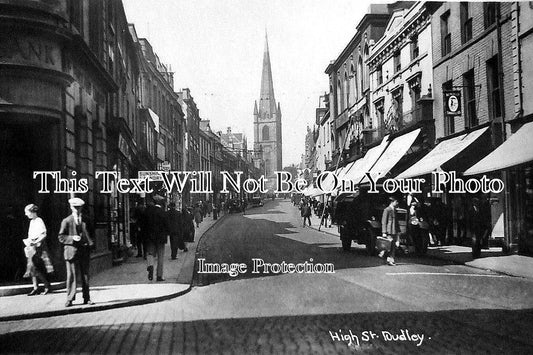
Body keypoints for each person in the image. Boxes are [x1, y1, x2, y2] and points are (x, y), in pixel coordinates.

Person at [58, 197, 94, 307]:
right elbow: (61, 237)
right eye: (74, 207)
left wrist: (89, 243)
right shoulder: (67, 221)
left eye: (79, 207)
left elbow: (91, 234)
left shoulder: (86, 220)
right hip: (71, 251)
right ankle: (70, 299)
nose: (77, 210)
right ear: (71, 207)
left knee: (85, 276)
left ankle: (86, 298)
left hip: (84, 250)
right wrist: (72, 238)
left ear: (82, 208)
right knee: (71, 276)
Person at [23, 204, 53, 296]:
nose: (26, 214)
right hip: (32, 247)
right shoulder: (32, 222)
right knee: (32, 267)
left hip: (39, 247)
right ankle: (35, 287)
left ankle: (47, 286)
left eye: (27, 212)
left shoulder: (39, 221)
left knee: (37, 267)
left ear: (32, 212)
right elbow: (31, 235)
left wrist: (35, 242)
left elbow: (43, 234)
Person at [144, 195, 170, 281]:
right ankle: (159, 276)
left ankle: (150, 265)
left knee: (150, 253)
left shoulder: (148, 211)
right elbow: (167, 225)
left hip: (150, 237)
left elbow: (144, 224)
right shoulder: (163, 213)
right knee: (160, 257)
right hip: (161, 238)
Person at [381, 197, 400, 266]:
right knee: (388, 246)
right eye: (396, 202)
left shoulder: (394, 210)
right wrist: (384, 232)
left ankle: (390, 260)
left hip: (394, 230)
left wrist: (398, 231)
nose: (397, 203)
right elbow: (384, 221)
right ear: (392, 202)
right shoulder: (387, 210)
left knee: (393, 246)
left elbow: (396, 222)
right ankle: (388, 259)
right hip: (389, 231)